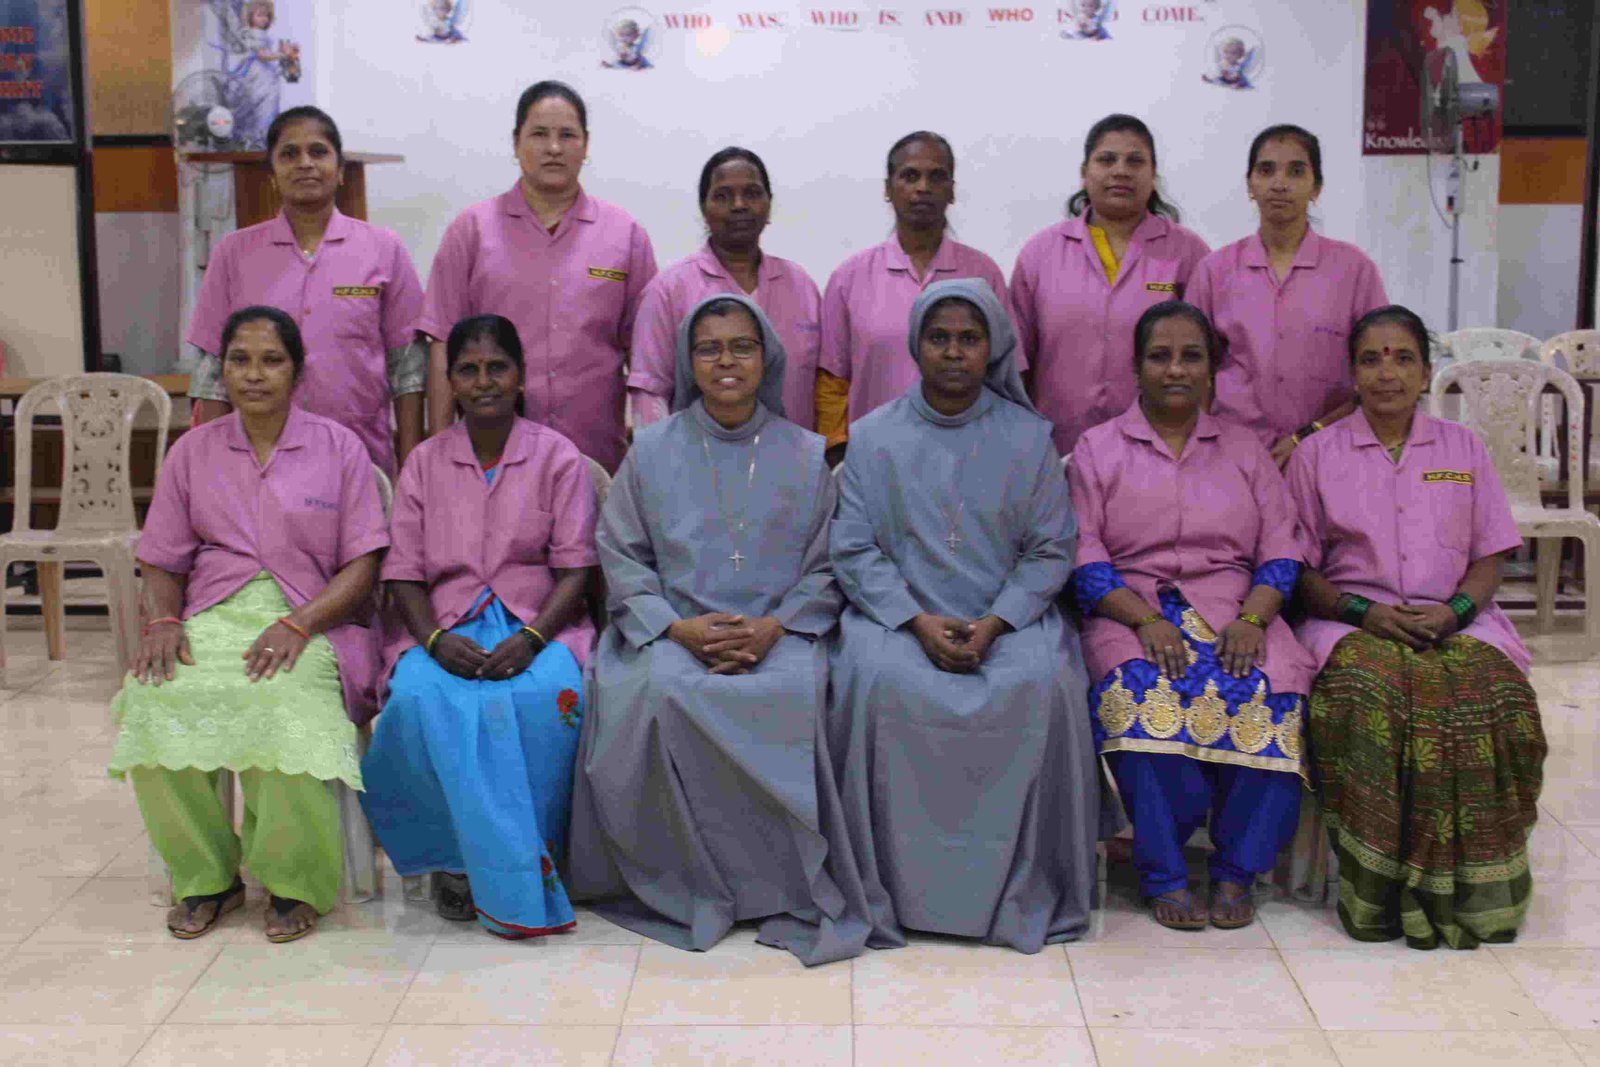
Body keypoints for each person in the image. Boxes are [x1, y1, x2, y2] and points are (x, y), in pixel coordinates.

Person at [569, 295, 871, 965]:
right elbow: (622, 555)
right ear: (688, 361)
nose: (726, 360)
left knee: (796, 691)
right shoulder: (651, 450)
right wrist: (677, 629)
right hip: (675, 631)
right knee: (660, 692)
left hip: (781, 635)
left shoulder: (806, 453)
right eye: (709, 348)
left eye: (742, 346)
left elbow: (828, 566)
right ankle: (686, 880)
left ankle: (783, 885)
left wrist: (773, 628)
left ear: (767, 358)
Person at [827, 278, 1104, 952]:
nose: (953, 352)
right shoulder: (873, 436)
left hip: (1006, 621)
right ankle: (892, 888)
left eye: (969, 339)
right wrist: (915, 620)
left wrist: (998, 621)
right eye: (939, 338)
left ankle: (1023, 884)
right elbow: (853, 547)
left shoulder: (1030, 438)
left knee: (1045, 681)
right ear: (915, 345)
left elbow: (1051, 548)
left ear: (993, 348)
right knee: (873, 679)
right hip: (898, 619)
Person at [108, 306, 388, 943]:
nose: (254, 374)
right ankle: (207, 875)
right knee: (154, 698)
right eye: (240, 360)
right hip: (213, 613)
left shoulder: (338, 448)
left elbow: (364, 564)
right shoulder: (193, 451)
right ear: (223, 371)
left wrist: (300, 623)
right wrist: (165, 618)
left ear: (298, 371)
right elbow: (162, 557)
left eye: (271, 360)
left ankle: (294, 882)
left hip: (315, 616)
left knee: (282, 700)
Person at [1286, 305, 1546, 949]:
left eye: (1403, 358)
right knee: (1376, 696)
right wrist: (1363, 613)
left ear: (1427, 372)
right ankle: (1379, 893)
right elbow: (1297, 568)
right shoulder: (1316, 455)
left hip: (1458, 621)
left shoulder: (1463, 448)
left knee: (1497, 697)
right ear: (1353, 373)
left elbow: (1489, 555)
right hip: (1350, 623)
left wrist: (1455, 612)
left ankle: (1476, 891)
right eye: (1372, 359)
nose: (1388, 373)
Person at [1067, 302, 1314, 931]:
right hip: (1130, 610)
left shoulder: (1245, 449)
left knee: (1272, 695)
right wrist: (1143, 621)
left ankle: (1236, 871)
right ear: (1136, 366)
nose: (1175, 369)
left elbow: (1281, 548)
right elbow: (1083, 552)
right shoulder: (1097, 449)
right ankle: (1165, 873)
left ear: (1211, 369)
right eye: (1160, 356)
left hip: (1236, 608)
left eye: (1191, 356)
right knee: (1138, 693)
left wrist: (1254, 621)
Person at [360, 315, 598, 939]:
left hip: (540, 623)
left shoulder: (557, 456)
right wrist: (435, 642)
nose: (484, 381)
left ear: (521, 376)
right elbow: (403, 573)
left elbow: (576, 570)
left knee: (545, 697)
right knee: (418, 699)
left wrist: (533, 639)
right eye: (468, 369)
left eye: (498, 367)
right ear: (451, 382)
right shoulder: (424, 464)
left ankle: (538, 855)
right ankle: (453, 861)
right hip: (442, 626)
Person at [419, 80, 657, 473]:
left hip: (595, 456)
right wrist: (438, 453)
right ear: (516, 143)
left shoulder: (625, 235)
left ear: (586, 144)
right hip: (489, 456)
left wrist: (651, 454)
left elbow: (646, 357)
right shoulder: (472, 231)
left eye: (568, 135)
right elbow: (443, 344)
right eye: (540, 134)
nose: (554, 148)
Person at [187, 106, 426, 476]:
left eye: (318, 151)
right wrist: (211, 470)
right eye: (289, 154)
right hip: (257, 464)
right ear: (272, 174)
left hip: (362, 459)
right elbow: (212, 375)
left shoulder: (384, 249)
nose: (305, 163)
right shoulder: (234, 253)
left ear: (340, 170)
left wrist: (410, 467)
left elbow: (407, 368)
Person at [1011, 114, 1210, 458]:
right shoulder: (1040, 253)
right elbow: (1016, 365)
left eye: (1135, 161)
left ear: (1153, 175)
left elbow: (1207, 365)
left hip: (1160, 453)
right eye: (1107, 160)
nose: (1121, 171)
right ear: (1084, 173)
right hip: (1054, 451)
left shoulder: (1188, 253)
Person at [1188, 125, 1388, 466]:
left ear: (1316, 187)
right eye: (1266, 170)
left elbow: (1377, 371)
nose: (1279, 184)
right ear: (1250, 185)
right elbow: (1193, 371)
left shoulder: (1354, 270)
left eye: (1296, 171)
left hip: (1333, 452)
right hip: (1234, 455)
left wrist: (1311, 435)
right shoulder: (1214, 271)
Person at [816, 132, 1011, 465]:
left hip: (971, 459)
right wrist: (839, 457)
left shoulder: (983, 274)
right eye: (910, 176)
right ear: (888, 189)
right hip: (874, 461)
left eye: (936, 176)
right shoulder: (849, 278)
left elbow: (1005, 376)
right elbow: (832, 384)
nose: (923, 187)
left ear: (952, 190)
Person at [627, 148, 823, 431]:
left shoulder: (801, 286)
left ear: (769, 204)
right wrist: (659, 454)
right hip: (696, 455)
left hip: (793, 455)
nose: (739, 205)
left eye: (752, 193)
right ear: (704, 209)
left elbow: (823, 389)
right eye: (723, 196)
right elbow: (650, 392)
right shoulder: (668, 291)